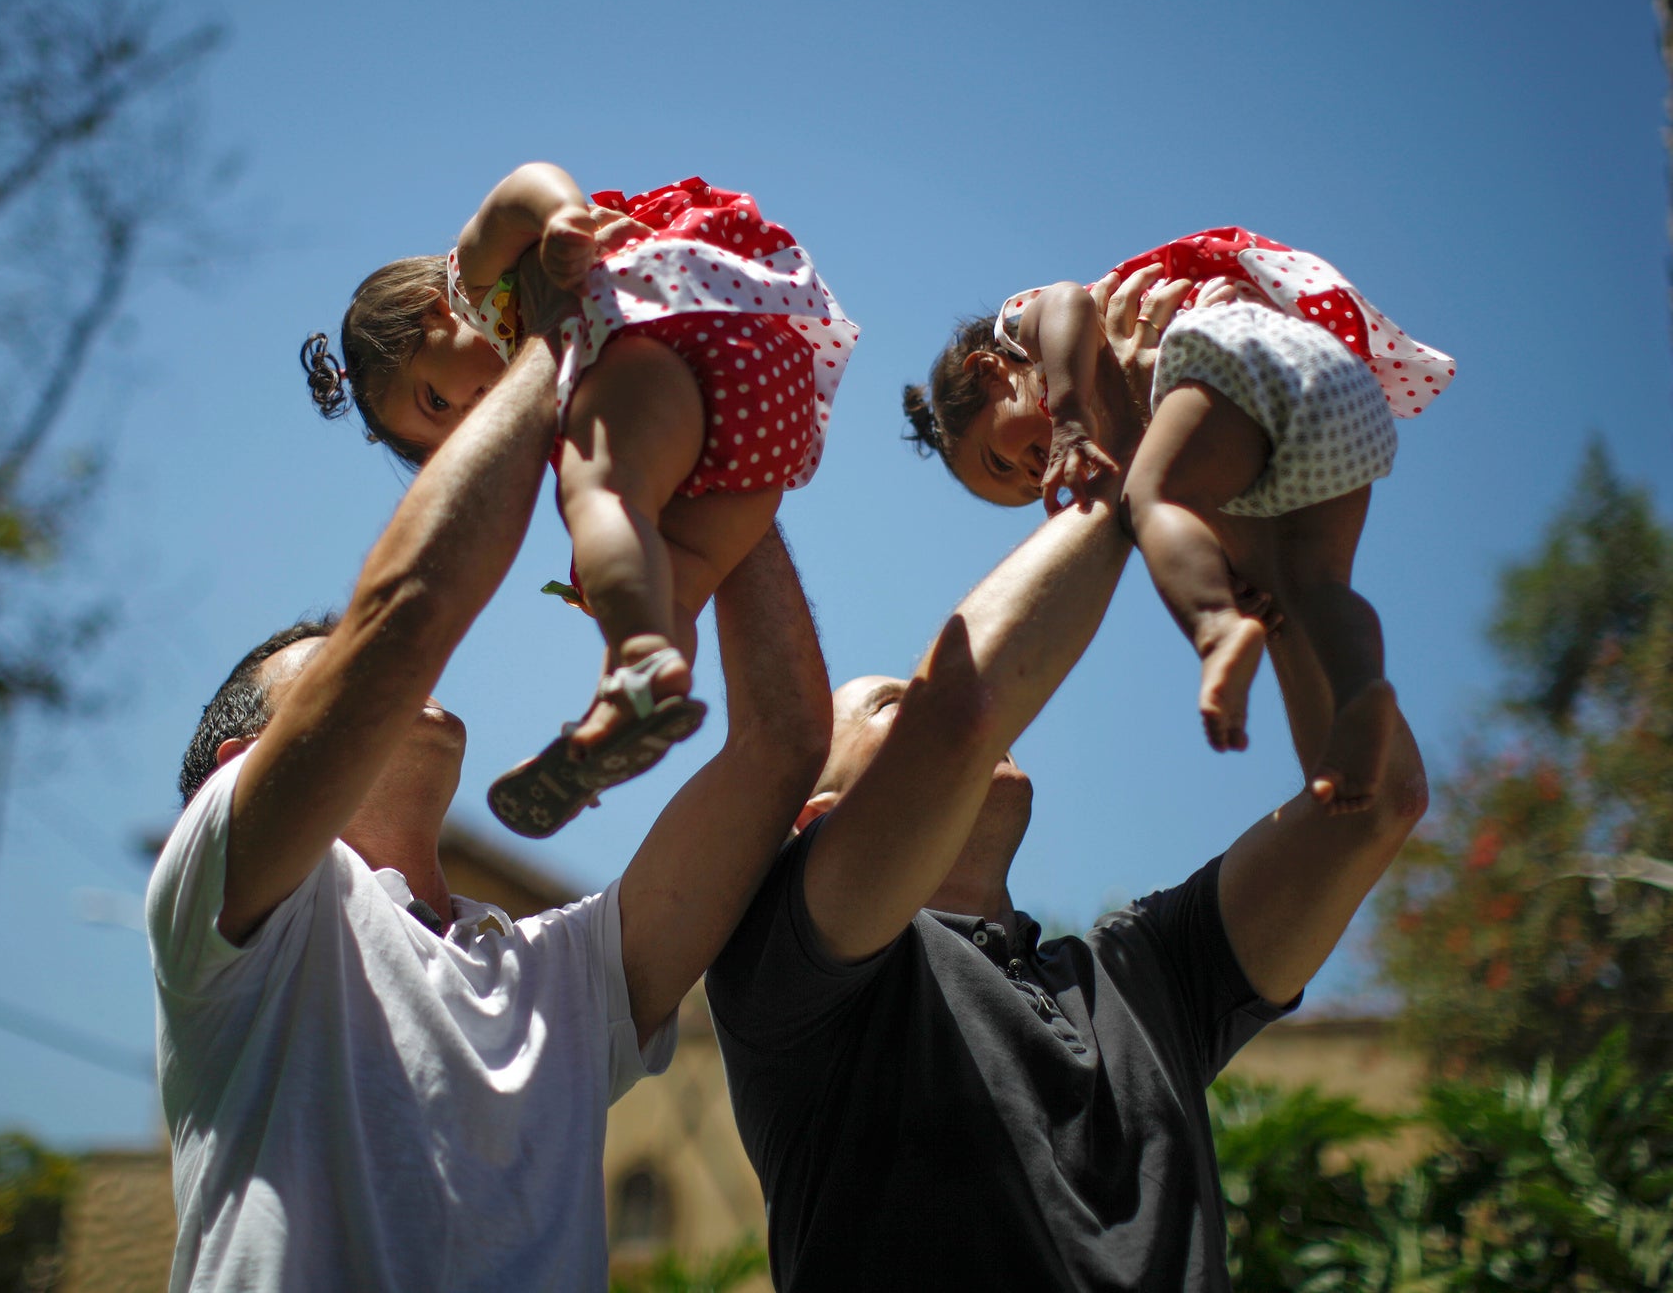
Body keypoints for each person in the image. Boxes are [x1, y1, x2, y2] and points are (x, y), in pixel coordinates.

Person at [708, 273, 1431, 1291]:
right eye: (885, 710)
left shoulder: (1142, 979)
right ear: (816, 823)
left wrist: (1281, 559)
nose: (916, 714)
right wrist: (1130, 452)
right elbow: (959, 715)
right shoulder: (785, 978)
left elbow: (1373, 807)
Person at [148, 335, 831, 1292]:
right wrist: (565, 336)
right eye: (327, 651)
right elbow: (404, 616)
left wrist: (703, 422)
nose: (373, 658)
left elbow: (785, 740)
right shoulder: (224, 916)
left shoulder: (560, 982)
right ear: (240, 767)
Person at [305, 163, 857, 835]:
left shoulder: (476, 283)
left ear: (433, 310)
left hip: (672, 324)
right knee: (675, 575)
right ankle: (621, 714)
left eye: (435, 397)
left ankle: (639, 660)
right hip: (771, 411)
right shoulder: (548, 384)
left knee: (598, 493)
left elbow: (518, 190)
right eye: (447, 428)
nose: (469, 413)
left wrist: (561, 215)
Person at [903, 230, 1456, 810]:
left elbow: (1067, 299)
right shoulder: (1131, 408)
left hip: (1239, 348)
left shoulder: (1023, 332)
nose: (1033, 473)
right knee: (1312, 584)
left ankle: (1215, 625)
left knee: (1150, 503)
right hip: (1343, 396)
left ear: (991, 371)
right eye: (1022, 489)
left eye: (1001, 459)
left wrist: (1068, 416)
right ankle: (1360, 689)